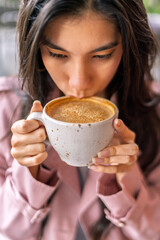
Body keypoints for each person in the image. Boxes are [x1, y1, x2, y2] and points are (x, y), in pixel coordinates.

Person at [0, 0, 160, 239]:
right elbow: (8, 231)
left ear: (128, 46)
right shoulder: (6, 107)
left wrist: (127, 174)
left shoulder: (155, 113)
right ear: (34, 47)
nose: (79, 82)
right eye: (57, 54)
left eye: (101, 55)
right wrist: (29, 171)